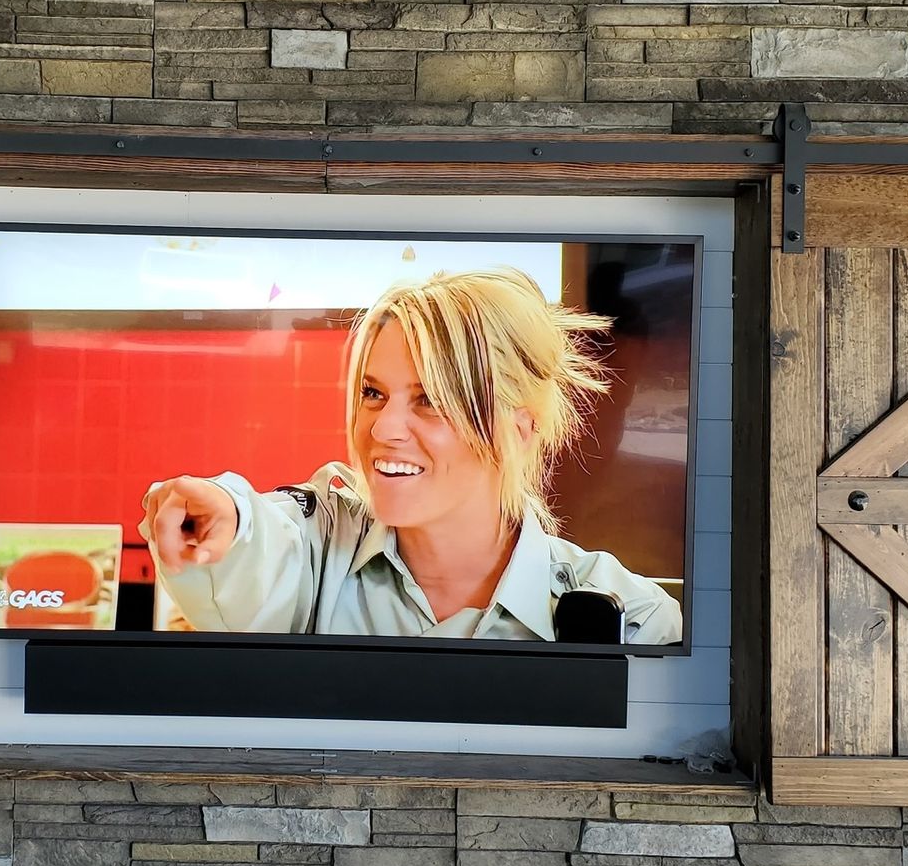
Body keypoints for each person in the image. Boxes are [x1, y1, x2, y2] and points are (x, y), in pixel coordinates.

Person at [138, 267, 683, 645]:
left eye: (432, 400)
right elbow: (263, 534)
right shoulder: (321, 548)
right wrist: (225, 518)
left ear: (518, 430)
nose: (384, 428)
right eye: (373, 393)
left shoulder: (631, 620)